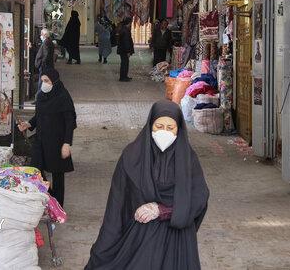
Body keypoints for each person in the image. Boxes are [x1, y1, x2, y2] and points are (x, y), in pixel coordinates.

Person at [85, 100, 209, 270]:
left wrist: (162, 210)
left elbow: (199, 197)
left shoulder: (188, 159)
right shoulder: (131, 156)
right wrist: (104, 246)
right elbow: (117, 203)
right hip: (140, 238)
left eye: (170, 128)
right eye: (159, 126)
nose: (164, 132)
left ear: (178, 130)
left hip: (177, 241)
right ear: (150, 124)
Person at [17, 68, 76, 206]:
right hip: (41, 139)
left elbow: (70, 121)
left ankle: (58, 205)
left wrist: (67, 143)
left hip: (57, 141)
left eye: (47, 81)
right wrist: (28, 124)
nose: (44, 84)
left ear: (54, 81)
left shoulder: (63, 97)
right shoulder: (42, 95)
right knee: (35, 169)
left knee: (57, 174)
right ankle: (49, 196)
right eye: (42, 81)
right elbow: (39, 115)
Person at [117, 16, 134, 82]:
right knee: (125, 63)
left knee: (124, 63)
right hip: (124, 50)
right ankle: (123, 77)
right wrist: (128, 51)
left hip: (122, 50)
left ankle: (124, 76)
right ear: (129, 22)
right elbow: (126, 41)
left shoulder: (123, 29)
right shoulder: (125, 30)